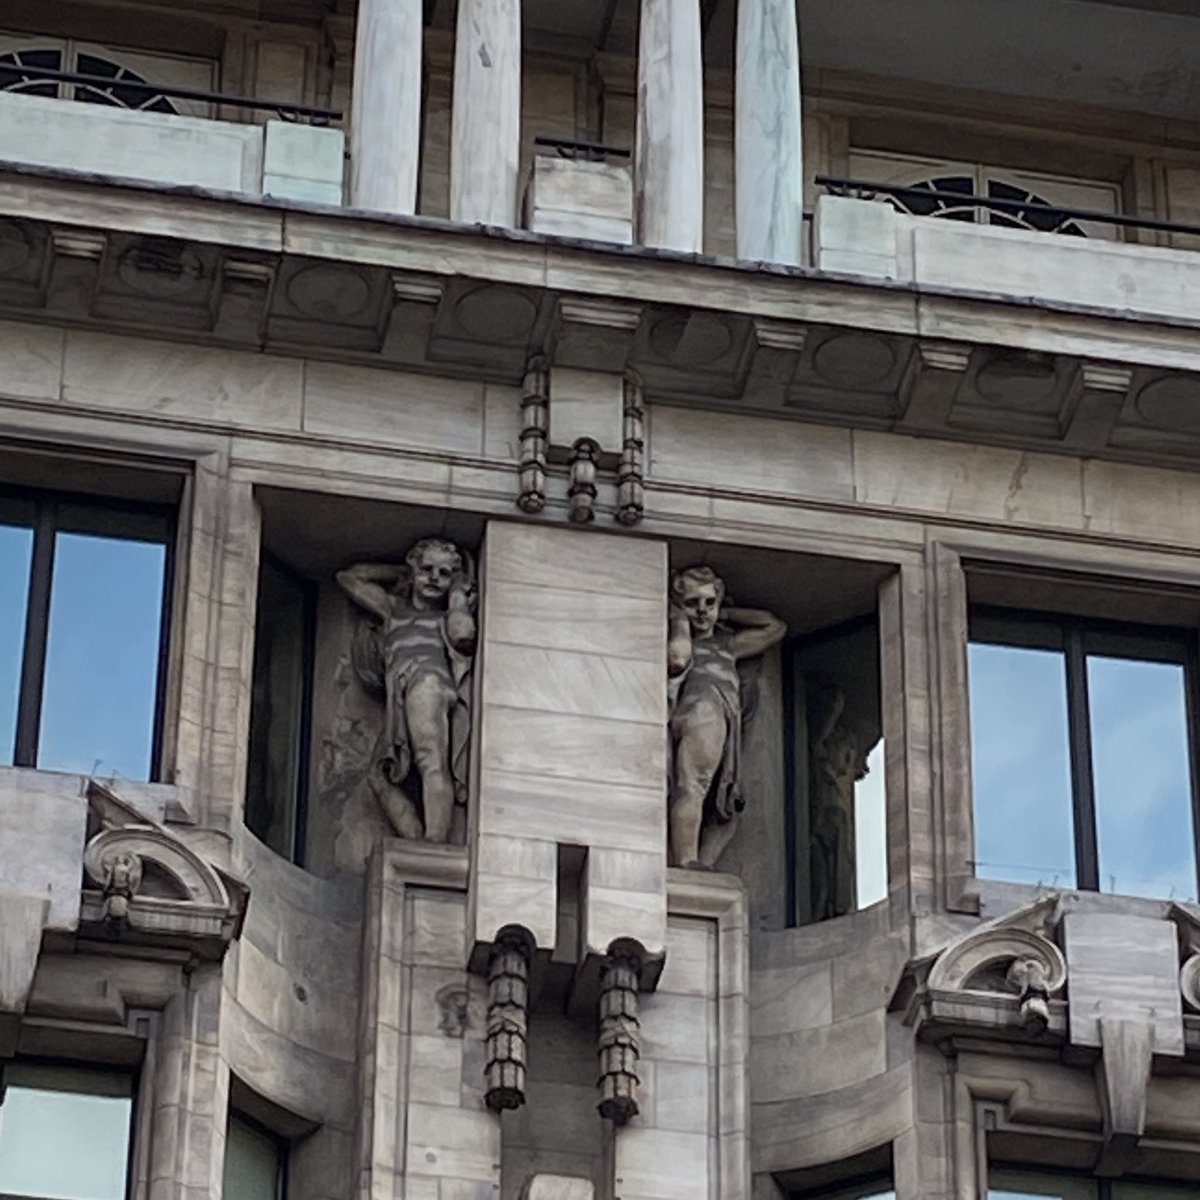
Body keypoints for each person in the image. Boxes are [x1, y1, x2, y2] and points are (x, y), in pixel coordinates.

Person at [336, 537, 475, 843]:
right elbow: (349, 577)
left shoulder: (445, 617)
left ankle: (435, 842)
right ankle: (417, 841)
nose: (434, 578)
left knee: (431, 760)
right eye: (427, 570)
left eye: (444, 573)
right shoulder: (393, 609)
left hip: (427, 683)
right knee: (378, 774)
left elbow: (463, 636)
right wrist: (399, 571)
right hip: (402, 692)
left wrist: (457, 598)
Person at [667, 566, 785, 868]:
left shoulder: (727, 645)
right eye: (693, 603)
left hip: (725, 719)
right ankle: (686, 861)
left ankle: (699, 866)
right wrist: (679, 620)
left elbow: (774, 627)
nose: (702, 611)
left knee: (726, 807)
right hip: (703, 709)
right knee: (694, 784)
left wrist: (728, 613)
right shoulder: (690, 644)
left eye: (709, 602)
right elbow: (678, 659)